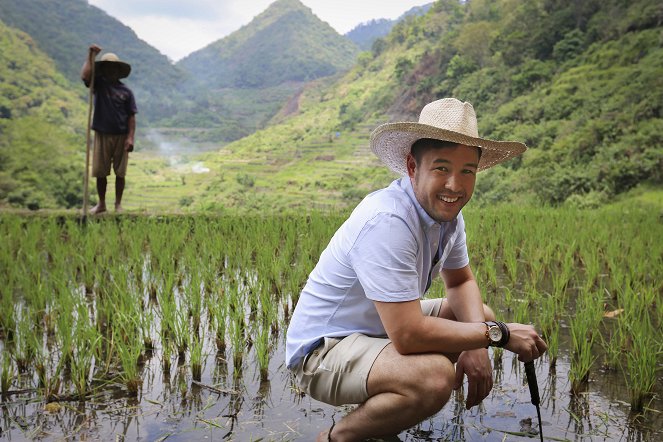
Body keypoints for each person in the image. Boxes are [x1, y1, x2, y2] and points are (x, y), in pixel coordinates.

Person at [285, 98, 548, 441]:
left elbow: (461, 281)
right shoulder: (388, 220)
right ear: (412, 167)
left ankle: (381, 423)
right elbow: (408, 336)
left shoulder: (448, 216)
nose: (455, 185)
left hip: (375, 328)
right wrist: (499, 334)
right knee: (434, 377)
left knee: (474, 312)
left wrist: (478, 344)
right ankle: (339, 438)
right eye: (442, 168)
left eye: (467, 171)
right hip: (322, 350)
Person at [81, 44, 137, 214]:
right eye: (107, 67)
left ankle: (118, 204)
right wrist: (90, 56)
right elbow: (85, 76)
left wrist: (130, 138)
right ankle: (102, 204)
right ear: (103, 69)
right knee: (100, 172)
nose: (110, 70)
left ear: (118, 70)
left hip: (121, 135)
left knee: (121, 173)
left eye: (113, 68)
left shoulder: (126, 92)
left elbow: (131, 116)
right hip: (102, 133)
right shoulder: (98, 85)